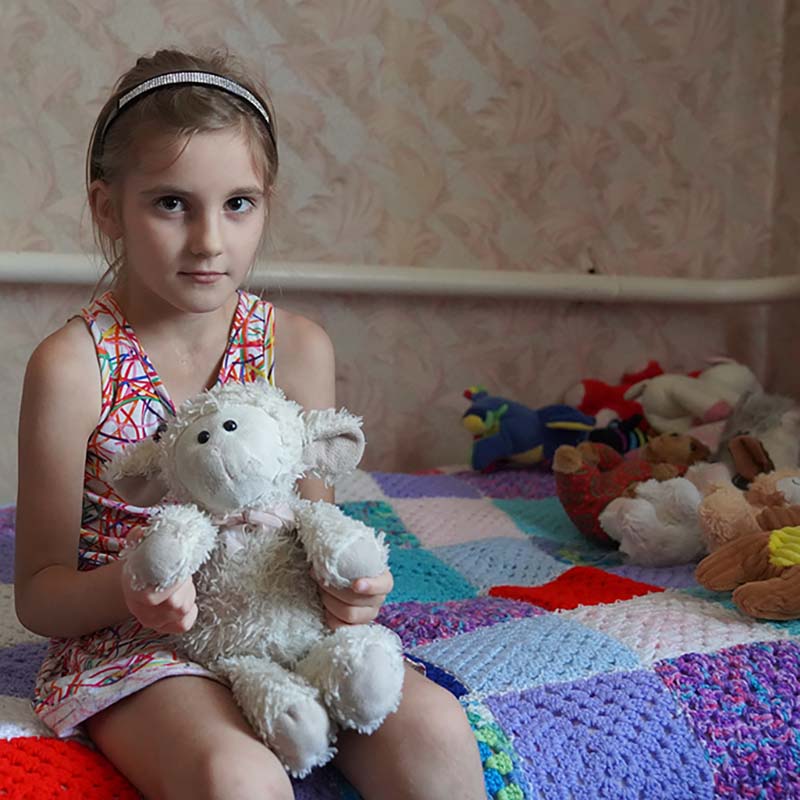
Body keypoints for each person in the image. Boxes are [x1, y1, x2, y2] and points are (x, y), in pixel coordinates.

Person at [13, 49, 486, 800]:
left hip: (282, 627)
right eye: (172, 203)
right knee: (238, 776)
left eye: (238, 204)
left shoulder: (295, 348)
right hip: (137, 645)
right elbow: (38, 594)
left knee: (437, 731)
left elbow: (311, 533)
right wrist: (134, 591)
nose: (209, 240)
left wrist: (350, 593)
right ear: (109, 209)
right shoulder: (73, 367)